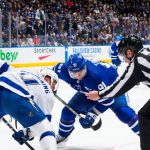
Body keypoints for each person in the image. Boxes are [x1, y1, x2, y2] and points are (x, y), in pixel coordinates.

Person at [53, 53, 139, 144]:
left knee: (124, 112)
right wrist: (51, 84)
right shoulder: (62, 69)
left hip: (113, 87)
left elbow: (109, 100)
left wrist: (92, 114)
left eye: (81, 71)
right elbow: (50, 74)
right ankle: (62, 135)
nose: (78, 76)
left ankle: (146, 133)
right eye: (74, 73)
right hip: (89, 90)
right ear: (68, 69)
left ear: (85, 66)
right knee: (67, 112)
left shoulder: (95, 77)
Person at [84, 35, 150, 150]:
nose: (124, 60)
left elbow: (119, 87)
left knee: (144, 115)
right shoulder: (147, 51)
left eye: (124, 55)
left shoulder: (137, 62)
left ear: (129, 52)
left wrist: (99, 94)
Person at [0, 62, 57, 150]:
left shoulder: (21, 72)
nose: (53, 87)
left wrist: (26, 132)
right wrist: (27, 133)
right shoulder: (47, 92)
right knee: (46, 128)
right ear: (47, 79)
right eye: (54, 83)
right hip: (13, 97)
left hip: (4, 85)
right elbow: (40, 126)